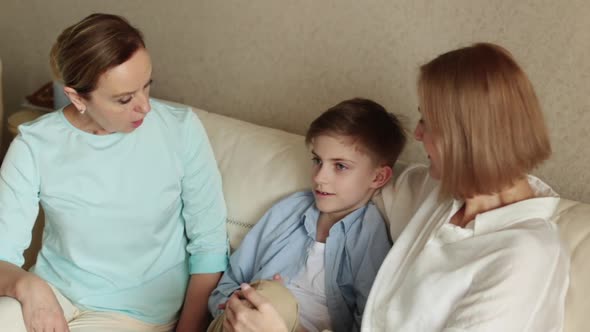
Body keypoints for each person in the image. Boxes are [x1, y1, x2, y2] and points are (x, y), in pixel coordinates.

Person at [221, 43, 570, 332]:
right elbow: (356, 177)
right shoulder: (435, 192)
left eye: (427, 123)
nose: (417, 136)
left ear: (466, 138)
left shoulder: (524, 254)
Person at [0, 13, 228, 332]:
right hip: (52, 296)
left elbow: (210, 247)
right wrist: (29, 287)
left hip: (134, 315)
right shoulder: (34, 145)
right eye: (124, 99)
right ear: (78, 97)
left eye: (147, 86)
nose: (145, 107)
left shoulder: (180, 130)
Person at [208, 98, 407, 332]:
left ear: (378, 177)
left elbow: (369, 324)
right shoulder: (289, 210)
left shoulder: (369, 236)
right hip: (238, 322)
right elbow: (227, 283)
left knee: (276, 299)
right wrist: (236, 307)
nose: (319, 177)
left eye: (340, 166)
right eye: (317, 160)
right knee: (271, 294)